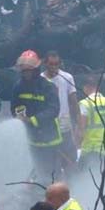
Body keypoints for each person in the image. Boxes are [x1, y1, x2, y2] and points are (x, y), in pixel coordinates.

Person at [10, 50, 62, 182]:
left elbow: (54, 110)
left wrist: (32, 120)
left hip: (50, 139)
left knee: (51, 174)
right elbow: (14, 108)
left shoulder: (48, 87)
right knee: (34, 174)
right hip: (30, 139)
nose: (26, 74)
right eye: (24, 71)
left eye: (29, 71)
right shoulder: (18, 87)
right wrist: (19, 118)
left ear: (36, 70)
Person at [41, 51, 80, 173]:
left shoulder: (67, 78)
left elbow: (73, 101)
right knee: (49, 157)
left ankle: (72, 179)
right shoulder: (40, 79)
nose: (54, 67)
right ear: (45, 64)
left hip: (64, 124)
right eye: (51, 64)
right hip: (46, 125)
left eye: (56, 64)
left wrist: (77, 122)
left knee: (69, 156)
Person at [77, 75, 105, 171]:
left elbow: (81, 128)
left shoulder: (84, 104)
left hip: (90, 150)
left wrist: (77, 146)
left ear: (86, 87)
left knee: (86, 175)